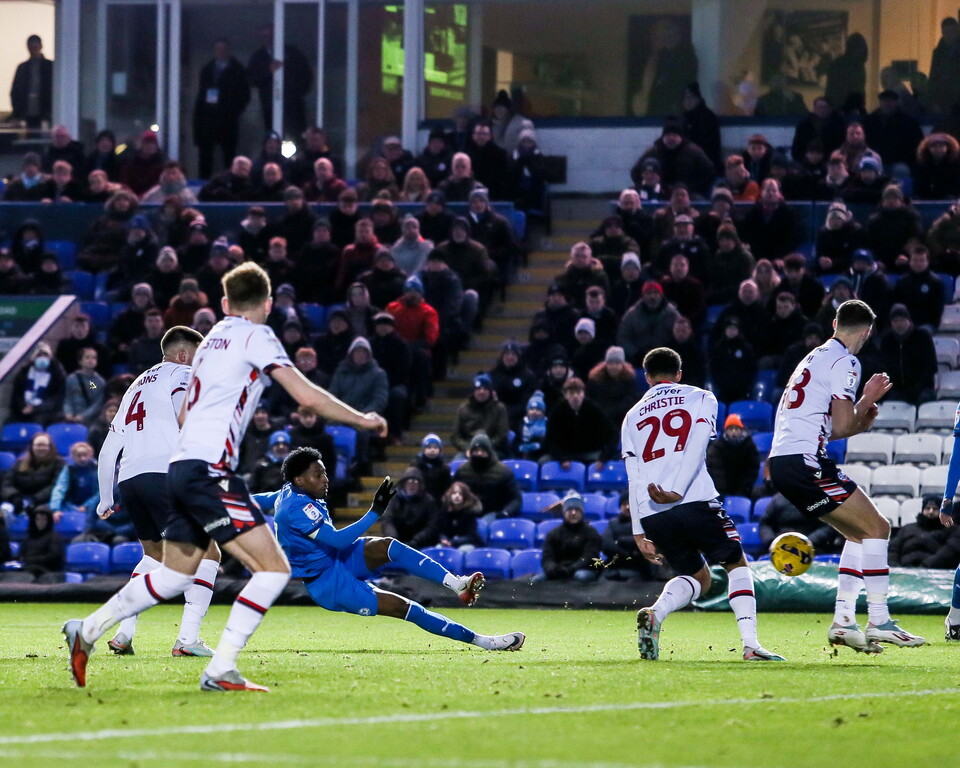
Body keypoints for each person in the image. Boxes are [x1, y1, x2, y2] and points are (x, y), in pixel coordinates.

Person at [62, 261, 388, 692]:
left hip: (178, 468)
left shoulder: (211, 339)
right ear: (268, 303)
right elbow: (305, 393)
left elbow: (181, 412)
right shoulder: (256, 335)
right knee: (272, 569)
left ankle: (87, 629)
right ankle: (219, 669)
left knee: (176, 573)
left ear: (223, 303)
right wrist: (362, 420)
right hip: (208, 469)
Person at [768, 299, 924, 654]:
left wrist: (859, 416)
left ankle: (843, 621)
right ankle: (880, 619)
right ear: (868, 332)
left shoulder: (813, 358)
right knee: (879, 528)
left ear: (835, 322)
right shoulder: (846, 362)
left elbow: (830, 428)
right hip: (805, 461)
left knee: (859, 535)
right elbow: (842, 424)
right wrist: (866, 399)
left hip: (786, 461)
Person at [256, 448, 524, 651]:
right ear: (299, 480)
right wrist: (375, 512)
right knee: (406, 607)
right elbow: (337, 540)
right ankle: (484, 641)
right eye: (318, 474)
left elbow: (263, 499)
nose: (326, 479)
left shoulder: (288, 492)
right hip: (328, 582)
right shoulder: (296, 508)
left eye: (324, 471)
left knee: (388, 546)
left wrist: (227, 500)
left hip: (335, 559)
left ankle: (457, 584)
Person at [627, 347, 783, 662]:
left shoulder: (632, 416)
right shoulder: (701, 397)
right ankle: (751, 645)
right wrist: (677, 489)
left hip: (653, 513)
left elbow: (633, 475)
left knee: (700, 578)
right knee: (736, 564)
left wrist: (638, 532)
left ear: (647, 378)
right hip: (692, 498)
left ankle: (656, 613)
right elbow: (697, 445)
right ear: (679, 373)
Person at [91, 326, 215, 655]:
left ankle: (123, 634)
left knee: (153, 557)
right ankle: (187, 639)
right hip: (166, 474)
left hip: (130, 480)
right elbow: (181, 405)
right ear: (185, 354)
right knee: (210, 552)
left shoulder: (134, 386)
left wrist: (107, 497)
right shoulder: (183, 372)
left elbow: (107, 452)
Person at [192, 39, 251, 179]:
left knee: (229, 154)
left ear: (228, 50)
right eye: (218, 49)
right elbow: (202, 95)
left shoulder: (237, 69)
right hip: (208, 119)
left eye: (223, 49)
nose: (220, 52)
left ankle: (229, 183)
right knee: (206, 154)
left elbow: (245, 95)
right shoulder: (207, 69)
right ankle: (204, 183)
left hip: (228, 120)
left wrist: (233, 110)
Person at [246, 24, 313, 138]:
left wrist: (295, 93)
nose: (269, 39)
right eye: (265, 36)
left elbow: (306, 75)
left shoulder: (292, 53)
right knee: (273, 137)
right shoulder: (258, 57)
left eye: (271, 36)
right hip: (270, 106)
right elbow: (251, 79)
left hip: (294, 106)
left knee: (298, 135)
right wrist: (268, 71)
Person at [544, 377, 617, 469]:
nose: (575, 396)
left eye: (578, 393)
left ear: (583, 394)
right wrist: (561, 458)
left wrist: (603, 458)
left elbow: (613, 434)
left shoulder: (594, 409)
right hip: (566, 455)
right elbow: (549, 439)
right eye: (571, 393)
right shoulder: (557, 411)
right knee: (543, 462)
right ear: (565, 395)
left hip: (592, 454)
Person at [453, 433, 521, 522]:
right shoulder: (462, 471)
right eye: (476, 450)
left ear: (489, 452)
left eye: (483, 451)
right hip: (468, 512)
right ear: (471, 452)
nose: (479, 453)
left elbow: (515, 499)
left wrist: (506, 512)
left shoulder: (504, 472)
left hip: (493, 513)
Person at [878, 304, 937, 406]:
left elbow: (931, 367)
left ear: (909, 320)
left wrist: (916, 389)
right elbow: (883, 366)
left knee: (924, 398)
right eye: (895, 321)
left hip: (921, 389)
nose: (899, 324)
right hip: (895, 389)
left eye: (901, 320)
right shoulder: (886, 340)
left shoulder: (923, 337)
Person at [537, 493, 600, 583]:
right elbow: (547, 558)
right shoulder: (553, 534)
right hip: (559, 570)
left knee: (581, 576)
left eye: (577, 510)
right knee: (537, 580)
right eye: (570, 509)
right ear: (564, 512)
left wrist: (571, 569)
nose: (573, 513)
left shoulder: (591, 532)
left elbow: (589, 557)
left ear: (582, 512)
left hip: (582, 570)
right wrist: (553, 568)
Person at [1, 432, 64, 517]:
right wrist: (14, 496)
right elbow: (7, 483)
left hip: (43, 501)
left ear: (50, 447)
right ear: (32, 447)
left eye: (44, 445)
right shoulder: (20, 462)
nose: (41, 448)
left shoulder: (58, 463)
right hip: (19, 500)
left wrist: (35, 499)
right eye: (38, 445)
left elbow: (55, 486)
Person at [450, 374, 510, 456]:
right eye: (478, 389)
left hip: (493, 450)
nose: (482, 392)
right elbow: (455, 436)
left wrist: (485, 448)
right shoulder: (463, 409)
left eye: (485, 389)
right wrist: (467, 448)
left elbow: (502, 435)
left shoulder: (499, 408)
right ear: (473, 391)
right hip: (468, 450)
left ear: (490, 391)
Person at [9, 343, 66, 426]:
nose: (42, 358)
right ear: (33, 357)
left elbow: (56, 398)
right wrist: (23, 407)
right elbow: (17, 395)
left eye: (45, 355)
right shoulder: (24, 373)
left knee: (38, 422)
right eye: (39, 355)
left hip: (46, 413)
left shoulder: (57, 375)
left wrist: (36, 408)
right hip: (23, 410)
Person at [706, 415, 760, 500]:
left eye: (737, 428)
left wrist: (743, 489)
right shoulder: (716, 447)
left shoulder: (750, 446)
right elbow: (716, 471)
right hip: (721, 491)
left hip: (744, 490)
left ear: (741, 430)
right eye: (731, 429)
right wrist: (722, 491)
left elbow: (752, 470)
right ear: (726, 431)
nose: (734, 432)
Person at [9, 34, 53, 127]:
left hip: (46, 113)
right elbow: (15, 91)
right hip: (27, 113)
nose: (33, 50)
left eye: (35, 46)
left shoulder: (50, 67)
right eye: (31, 47)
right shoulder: (22, 68)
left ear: (40, 46)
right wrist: (18, 112)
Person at [62, 348, 106, 427]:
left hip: (90, 420)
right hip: (71, 418)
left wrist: (84, 416)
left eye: (94, 358)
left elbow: (97, 403)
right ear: (80, 361)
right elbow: (67, 398)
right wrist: (68, 413)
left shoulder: (99, 381)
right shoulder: (71, 379)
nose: (91, 360)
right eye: (87, 357)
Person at [411, 433, 452, 502]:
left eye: (435, 447)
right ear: (423, 449)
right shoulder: (416, 465)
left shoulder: (444, 468)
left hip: (438, 501)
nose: (432, 450)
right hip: (418, 500)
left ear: (440, 450)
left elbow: (447, 486)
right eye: (429, 447)